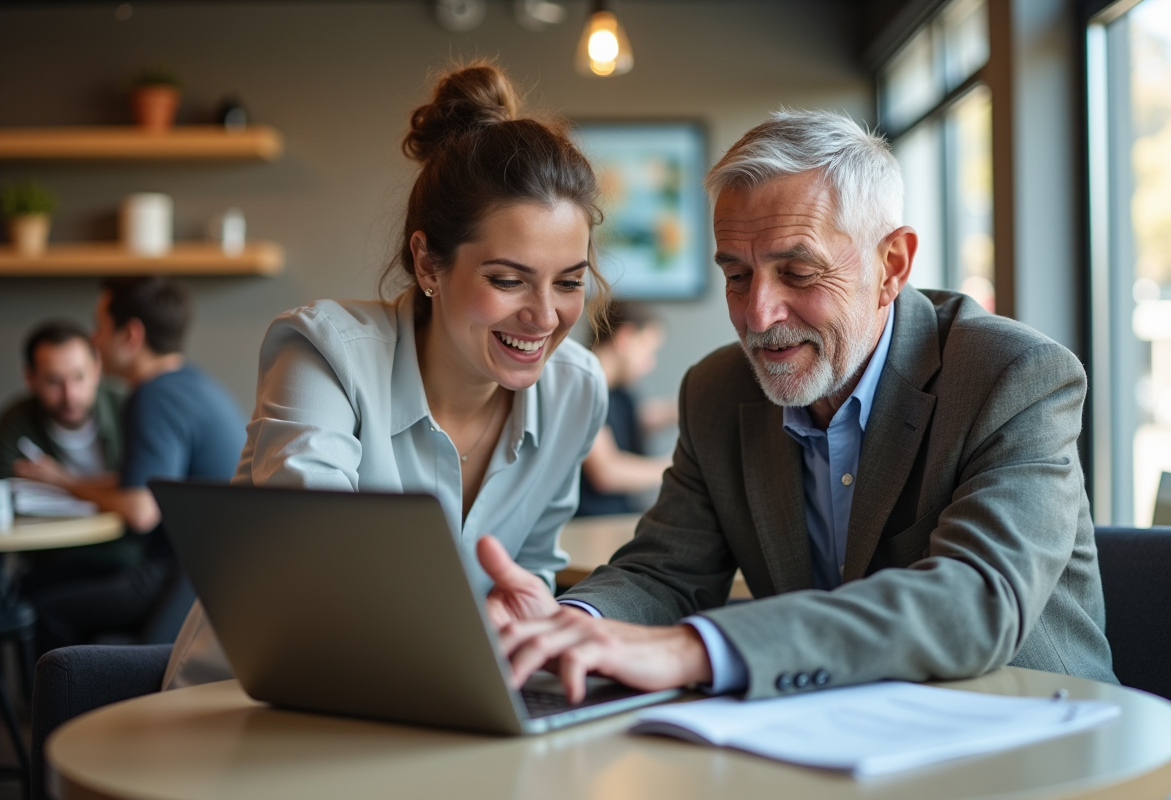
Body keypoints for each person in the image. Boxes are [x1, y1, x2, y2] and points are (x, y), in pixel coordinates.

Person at [479, 109, 1117, 703]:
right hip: (834, 743)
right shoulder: (717, 391)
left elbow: (975, 600)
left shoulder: (1013, 376)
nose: (758, 315)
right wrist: (568, 625)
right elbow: (665, 574)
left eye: (799, 273)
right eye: (737, 275)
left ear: (891, 265)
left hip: (1033, 738)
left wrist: (695, 648)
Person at [160, 61, 612, 689]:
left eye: (569, 282)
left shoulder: (577, 389)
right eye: (507, 280)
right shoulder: (323, 353)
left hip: (430, 701)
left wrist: (526, 619)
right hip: (254, 706)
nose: (544, 317)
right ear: (429, 263)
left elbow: (530, 565)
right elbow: (324, 567)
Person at [14, 276, 245, 650]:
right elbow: (139, 484)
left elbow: (140, 510)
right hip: (217, 571)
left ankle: (46, 708)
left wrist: (66, 482)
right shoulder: (189, 383)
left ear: (130, 336)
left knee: (44, 608)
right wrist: (63, 480)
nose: (95, 339)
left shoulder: (152, 397)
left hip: (189, 577)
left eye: (101, 326)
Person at [576, 301, 674, 517]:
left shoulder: (618, 390)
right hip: (588, 523)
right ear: (625, 338)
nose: (649, 363)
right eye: (647, 350)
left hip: (613, 517)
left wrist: (692, 405)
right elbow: (606, 472)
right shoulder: (582, 387)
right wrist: (677, 468)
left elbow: (641, 417)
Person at [0, 319, 123, 480]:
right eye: (54, 381)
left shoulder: (128, 406)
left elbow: (138, 492)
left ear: (96, 369)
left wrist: (62, 480)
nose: (70, 395)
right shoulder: (15, 423)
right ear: (30, 378)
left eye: (79, 377)